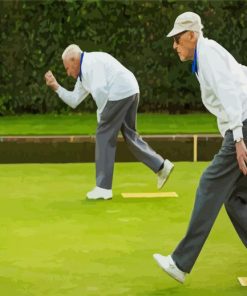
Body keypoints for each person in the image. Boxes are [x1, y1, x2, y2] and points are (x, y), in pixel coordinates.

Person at [153, 12, 247, 283]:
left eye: (177, 39)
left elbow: (230, 91)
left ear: (192, 34)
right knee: (234, 196)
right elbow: (239, 76)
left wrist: (238, 139)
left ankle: (180, 263)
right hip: (241, 124)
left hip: (243, 124)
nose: (174, 46)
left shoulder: (207, 55)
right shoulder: (206, 55)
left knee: (209, 184)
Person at [44, 44, 174, 200]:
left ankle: (103, 188)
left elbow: (100, 90)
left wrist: (102, 117)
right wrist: (56, 87)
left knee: (103, 135)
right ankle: (161, 166)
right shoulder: (83, 75)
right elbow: (74, 100)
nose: (68, 72)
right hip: (131, 90)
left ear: (73, 60)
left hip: (119, 93)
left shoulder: (91, 62)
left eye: (67, 68)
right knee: (130, 135)